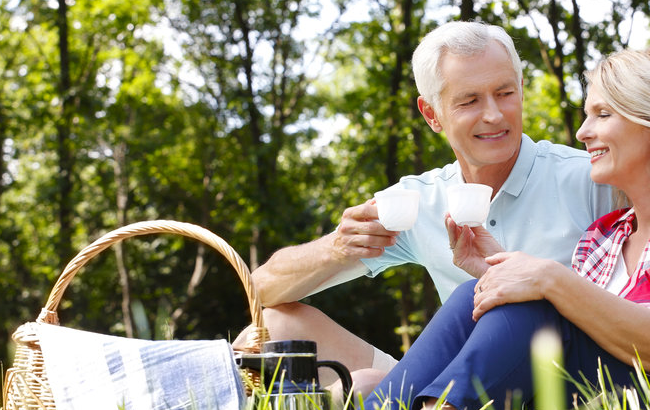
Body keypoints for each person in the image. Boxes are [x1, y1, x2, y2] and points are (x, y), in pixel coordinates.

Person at [358, 48, 650, 410]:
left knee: (541, 301)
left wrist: (549, 279)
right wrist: (497, 268)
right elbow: (578, 334)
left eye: (603, 114)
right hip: (627, 400)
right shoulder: (606, 236)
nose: (584, 132)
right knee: (471, 297)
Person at [234, 22, 613, 386]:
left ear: (522, 90)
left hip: (565, 382)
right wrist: (336, 249)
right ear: (432, 114)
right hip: (451, 382)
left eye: (505, 93)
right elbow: (261, 290)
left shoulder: (591, 178)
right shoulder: (418, 200)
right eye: (469, 100)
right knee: (272, 328)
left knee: (368, 387)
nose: (494, 115)